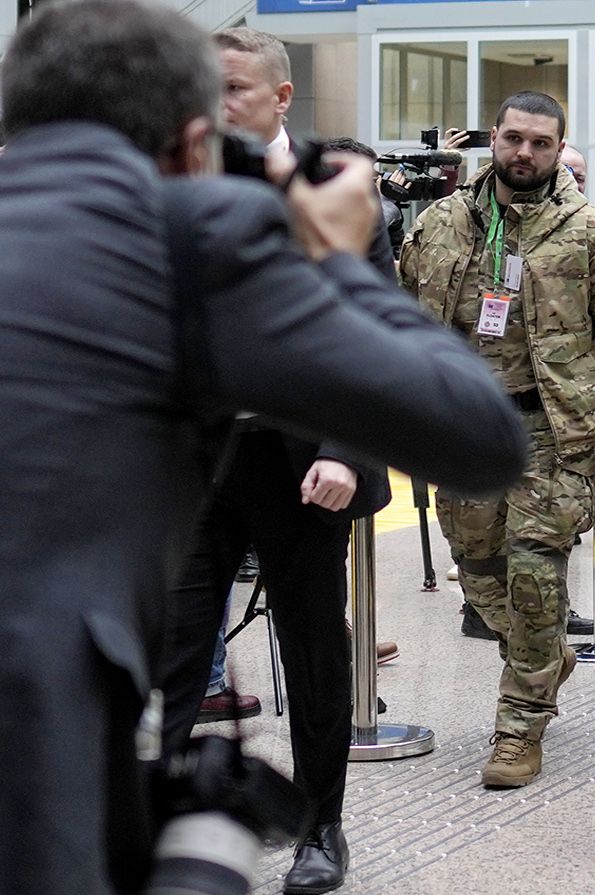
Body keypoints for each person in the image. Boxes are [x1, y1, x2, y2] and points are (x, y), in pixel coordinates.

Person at [0, 4, 526, 892]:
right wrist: (341, 254)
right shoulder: (189, 237)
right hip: (38, 728)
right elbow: (478, 436)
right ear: (188, 142)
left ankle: (320, 825)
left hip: (287, 475)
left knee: (314, 648)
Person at [148, 27, 401, 894]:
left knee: (312, 650)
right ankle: (163, 823)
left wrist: (342, 450)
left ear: (281, 98)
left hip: (302, 463)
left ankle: (320, 827)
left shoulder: (339, 190)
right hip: (197, 462)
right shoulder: (173, 185)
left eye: (233, 91)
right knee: (177, 648)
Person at [399, 89, 595, 789]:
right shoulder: (440, 224)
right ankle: (542, 655)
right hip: (464, 426)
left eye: (540, 142)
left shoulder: (593, 234)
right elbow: (404, 318)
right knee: (478, 573)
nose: (524, 153)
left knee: (535, 575)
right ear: (493, 141)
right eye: (512, 139)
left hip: (552, 428)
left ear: (559, 148)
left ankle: (518, 726)